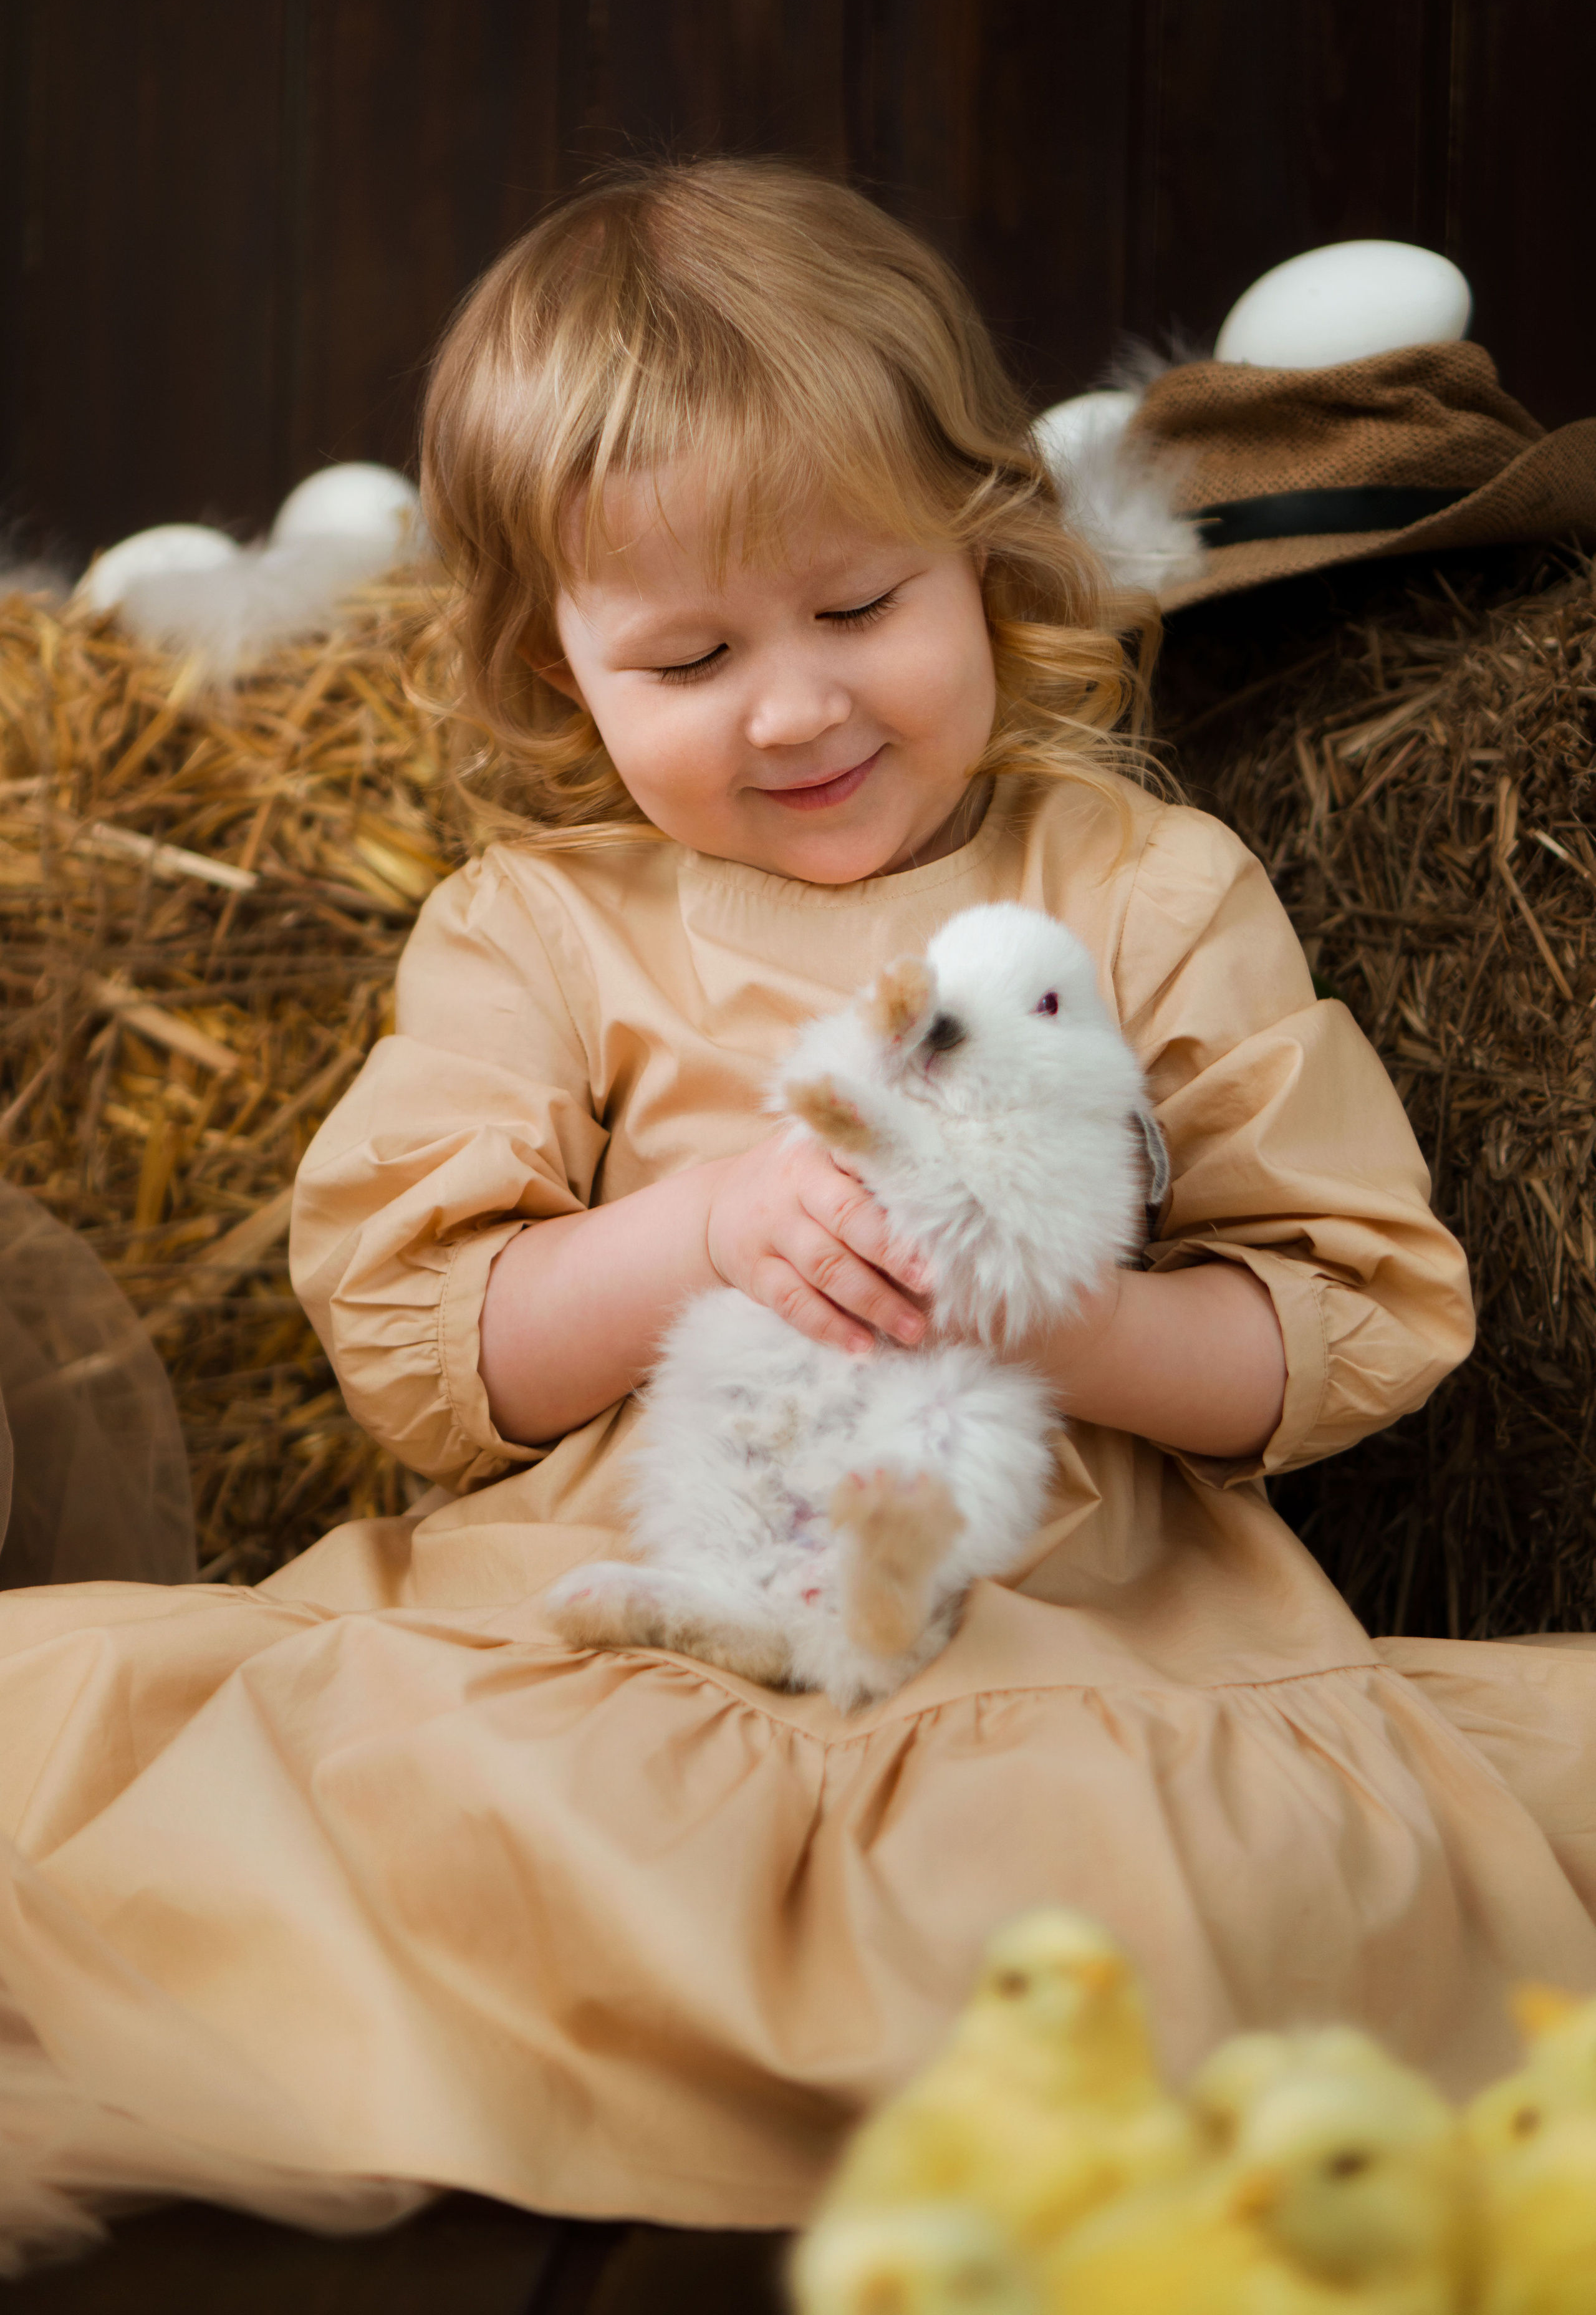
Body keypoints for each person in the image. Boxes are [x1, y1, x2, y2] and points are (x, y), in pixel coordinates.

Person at [0, 159, 1594, 2258]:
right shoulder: (539, 927)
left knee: (1053, 1881)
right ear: (557, 671)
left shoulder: (1131, 884)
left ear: (984, 554)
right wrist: (701, 1232)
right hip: (631, 1593)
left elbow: (1345, 1319)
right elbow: (431, 1350)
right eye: (686, 653)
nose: (797, 704)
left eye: (862, 608)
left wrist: (1055, 1317)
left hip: (1049, 1619)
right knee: (370, 1796)